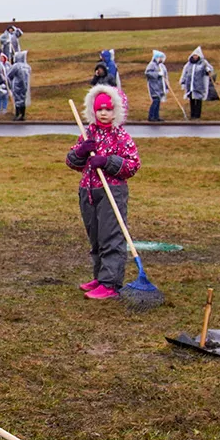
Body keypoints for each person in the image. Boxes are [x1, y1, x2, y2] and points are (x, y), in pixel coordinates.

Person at [65, 85, 140, 300]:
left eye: (108, 109)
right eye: (99, 110)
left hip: (112, 192)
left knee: (111, 237)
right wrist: (80, 151)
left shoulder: (121, 136)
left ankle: (111, 283)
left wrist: (107, 161)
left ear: (116, 111)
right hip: (89, 191)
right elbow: (71, 162)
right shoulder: (88, 134)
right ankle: (100, 276)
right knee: (96, 237)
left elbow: (133, 165)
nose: (103, 113)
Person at [179, 47, 214, 119]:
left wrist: (208, 70)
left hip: (199, 85)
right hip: (190, 86)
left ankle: (197, 115)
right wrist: (183, 82)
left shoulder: (203, 63)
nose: (195, 57)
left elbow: (209, 70)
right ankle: (192, 114)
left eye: (196, 55)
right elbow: (185, 73)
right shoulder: (188, 64)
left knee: (198, 100)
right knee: (191, 100)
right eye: (194, 55)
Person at [144, 50, 168, 122]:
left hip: (160, 86)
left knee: (158, 101)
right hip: (154, 85)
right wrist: (157, 74)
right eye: (160, 58)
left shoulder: (161, 66)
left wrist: (166, 86)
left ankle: (156, 116)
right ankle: (151, 116)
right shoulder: (152, 64)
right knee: (156, 100)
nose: (161, 59)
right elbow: (147, 73)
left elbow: (165, 76)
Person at [7, 49, 31, 121]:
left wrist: (9, 83)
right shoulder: (27, 66)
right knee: (23, 99)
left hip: (17, 85)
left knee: (17, 99)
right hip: (25, 85)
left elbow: (9, 75)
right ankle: (22, 115)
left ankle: (17, 115)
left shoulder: (16, 66)